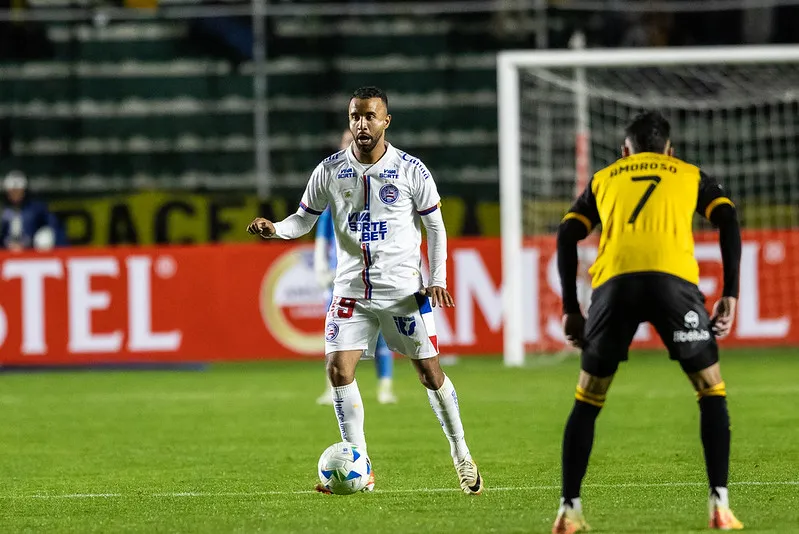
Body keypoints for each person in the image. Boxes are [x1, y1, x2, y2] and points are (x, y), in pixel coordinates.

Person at [248, 86, 483, 495]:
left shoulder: (412, 170)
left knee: (430, 374)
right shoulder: (329, 170)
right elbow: (304, 219)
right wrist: (276, 230)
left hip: (402, 293)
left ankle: (461, 452)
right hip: (350, 291)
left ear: (385, 121)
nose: (362, 123)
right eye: (355, 115)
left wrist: (439, 278)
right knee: (338, 370)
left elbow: (435, 228)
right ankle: (361, 464)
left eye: (370, 116)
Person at [552, 111, 743, 532]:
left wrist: (570, 307)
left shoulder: (606, 177)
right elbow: (727, 217)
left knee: (588, 398)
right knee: (710, 387)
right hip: (672, 282)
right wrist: (730, 292)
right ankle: (720, 507)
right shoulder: (688, 173)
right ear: (669, 150)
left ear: (625, 151)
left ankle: (568, 511)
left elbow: (568, 233)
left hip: (614, 285)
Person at [315, 131, 398, 406]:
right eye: (342, 143)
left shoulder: (382, 187)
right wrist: (320, 268)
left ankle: (385, 387)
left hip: (376, 276)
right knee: (336, 333)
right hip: (343, 279)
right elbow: (322, 234)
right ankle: (332, 388)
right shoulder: (333, 189)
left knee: (383, 332)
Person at [1, 170, 66, 251]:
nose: (15, 194)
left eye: (18, 191)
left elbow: (55, 226)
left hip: (31, 252)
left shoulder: (36, 209)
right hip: (5, 253)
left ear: (24, 191)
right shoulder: (2, 211)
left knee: (46, 236)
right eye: (12, 191)